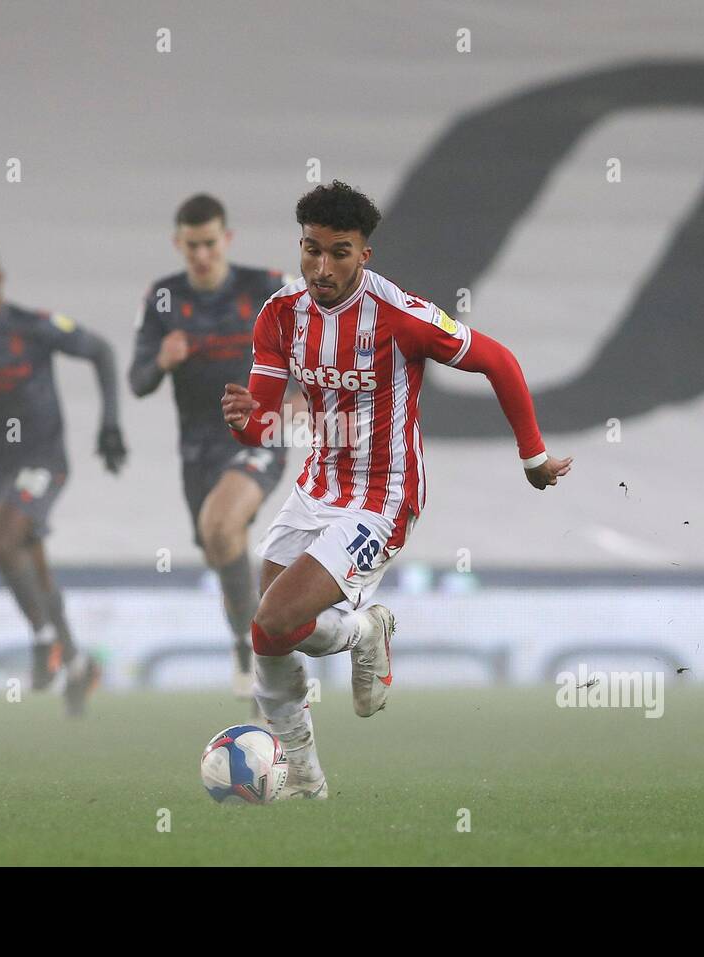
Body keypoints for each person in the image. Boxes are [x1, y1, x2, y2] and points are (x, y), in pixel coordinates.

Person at [221, 182, 573, 798]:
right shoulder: (280, 314)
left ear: (365, 256)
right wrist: (244, 417)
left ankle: (355, 646)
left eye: (339, 252)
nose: (321, 267)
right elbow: (263, 423)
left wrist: (533, 455)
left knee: (274, 617)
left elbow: (498, 360)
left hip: (382, 496)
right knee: (271, 634)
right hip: (316, 486)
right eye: (310, 250)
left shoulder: (402, 315)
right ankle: (310, 762)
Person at [0, 240, 127, 716]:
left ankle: (42, 639)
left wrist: (109, 424)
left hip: (42, 460)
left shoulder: (32, 326)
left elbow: (101, 350)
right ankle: (76, 666)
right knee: (31, 565)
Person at [129, 194, 299, 706]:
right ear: (178, 244)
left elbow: (314, 348)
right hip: (196, 450)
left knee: (221, 525)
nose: (201, 254)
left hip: (257, 435)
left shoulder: (268, 287)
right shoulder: (163, 297)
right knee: (221, 548)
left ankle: (261, 653)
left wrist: (295, 402)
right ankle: (250, 645)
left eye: (210, 243)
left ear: (226, 240)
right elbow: (138, 381)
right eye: (192, 245)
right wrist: (161, 359)